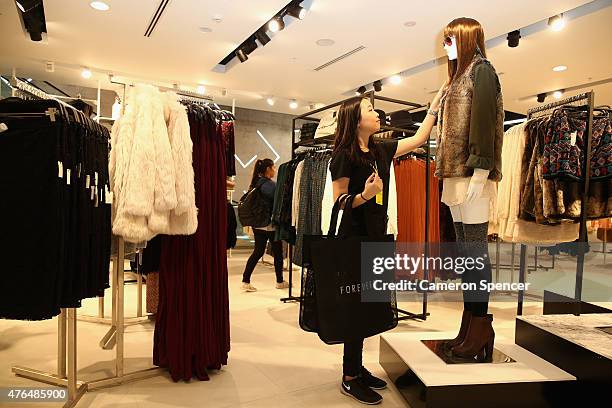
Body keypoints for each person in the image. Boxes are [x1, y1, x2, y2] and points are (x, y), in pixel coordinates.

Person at [330, 87, 447, 404]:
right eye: (370, 109)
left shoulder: (380, 150)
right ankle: (350, 376)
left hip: (376, 239)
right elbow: (340, 202)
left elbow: (419, 139)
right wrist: (366, 195)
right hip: (353, 241)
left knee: (369, 306)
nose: (376, 113)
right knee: (356, 308)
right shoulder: (343, 155)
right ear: (355, 119)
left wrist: (434, 108)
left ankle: (358, 366)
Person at [241, 159, 289, 292]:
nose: (275, 170)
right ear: (268, 169)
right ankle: (279, 281)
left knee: (258, 251)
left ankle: (245, 280)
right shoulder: (269, 185)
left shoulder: (256, 182)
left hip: (258, 225)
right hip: (269, 225)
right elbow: (278, 200)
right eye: (273, 167)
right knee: (278, 253)